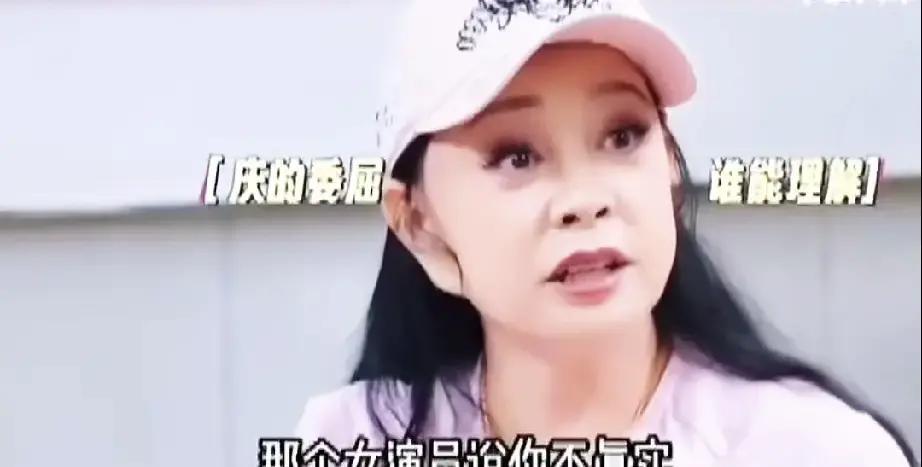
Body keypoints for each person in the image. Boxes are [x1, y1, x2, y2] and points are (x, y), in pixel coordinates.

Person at [296, 0, 917, 465]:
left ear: (669, 167)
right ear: (418, 223)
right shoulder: (353, 442)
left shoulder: (816, 451)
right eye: (517, 156)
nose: (585, 200)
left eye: (622, 136)